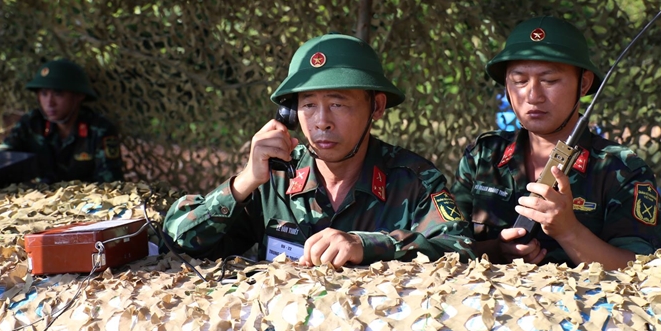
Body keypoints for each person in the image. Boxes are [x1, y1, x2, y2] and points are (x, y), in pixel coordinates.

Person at [163, 33, 474, 267]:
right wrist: (244, 182)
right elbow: (180, 241)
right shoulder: (275, 176)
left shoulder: (413, 180)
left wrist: (367, 245)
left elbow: (460, 248)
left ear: (376, 107)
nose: (321, 122)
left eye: (338, 104)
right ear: (289, 114)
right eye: (309, 105)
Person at [451, 17, 661, 270]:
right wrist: (495, 250)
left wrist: (569, 231)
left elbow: (642, 268)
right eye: (519, 81)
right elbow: (447, 245)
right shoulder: (484, 156)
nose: (533, 96)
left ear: (583, 84)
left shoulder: (621, 169)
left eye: (550, 81)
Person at [0, 59, 124, 184]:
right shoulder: (32, 123)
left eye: (58, 94)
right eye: (44, 94)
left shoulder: (99, 130)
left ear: (79, 96)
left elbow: (111, 184)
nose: (49, 103)